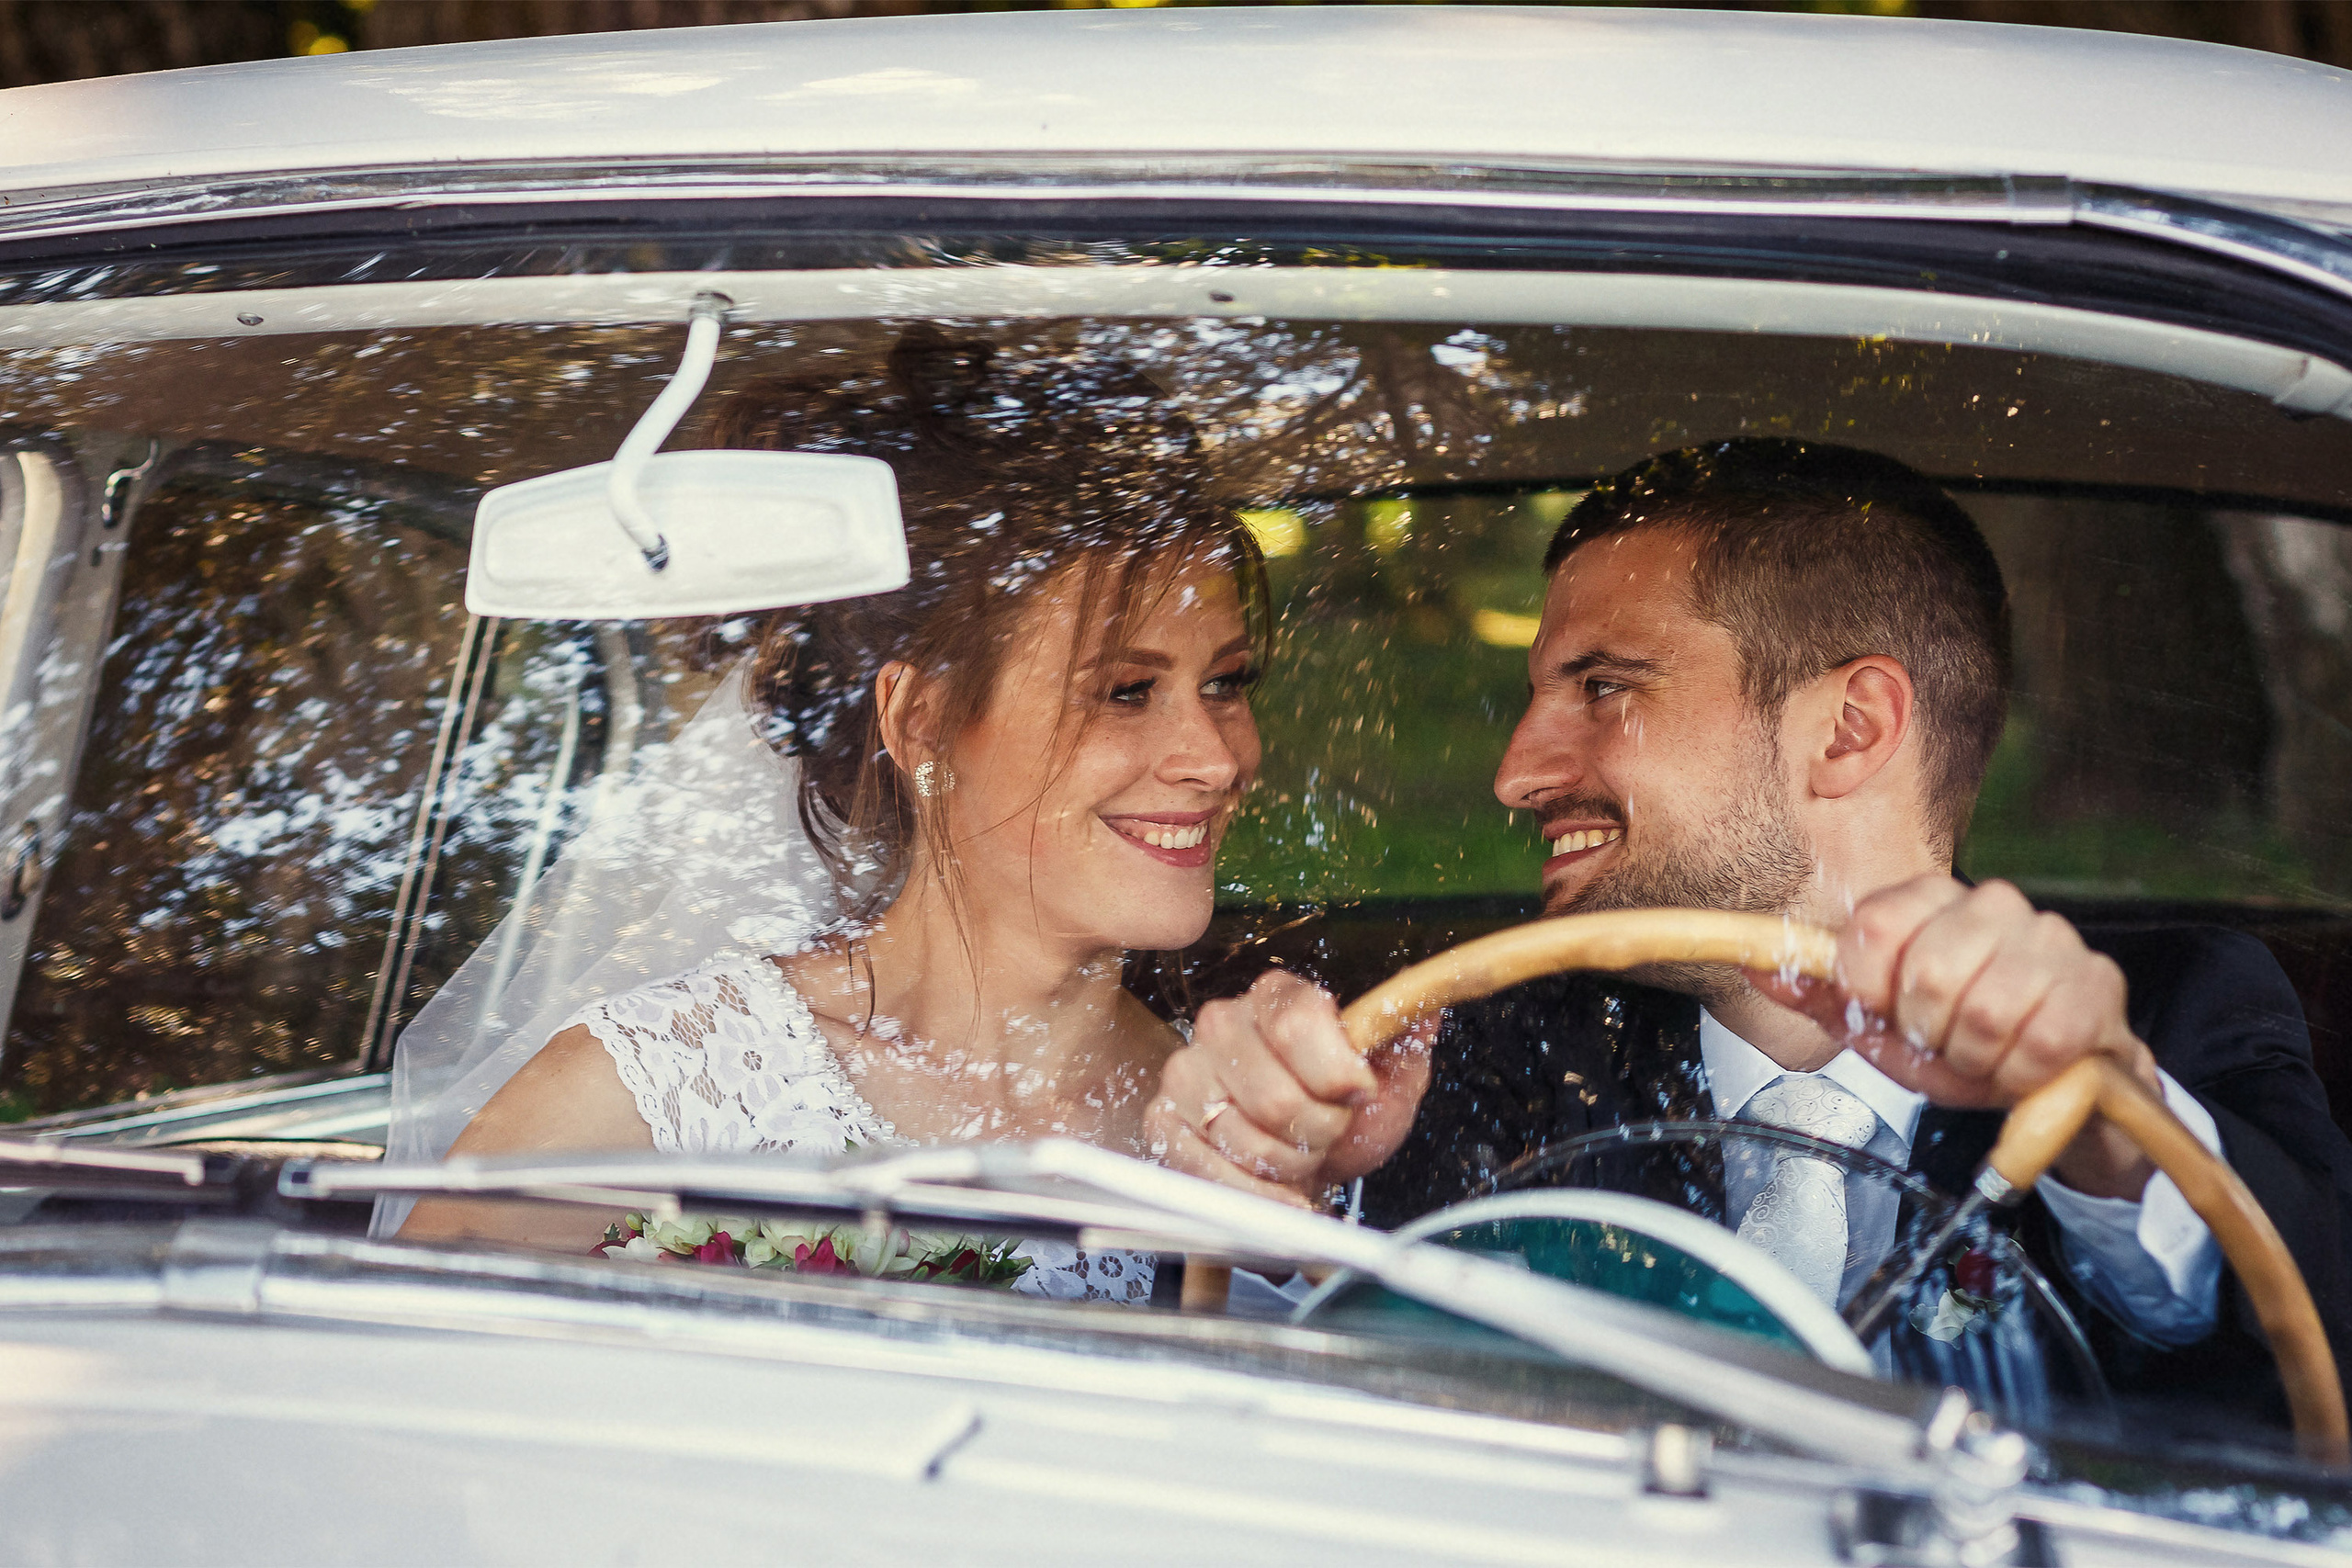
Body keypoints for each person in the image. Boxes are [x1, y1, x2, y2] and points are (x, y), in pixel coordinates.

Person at [1148, 439, 2352, 1425]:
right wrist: (1280, 1191)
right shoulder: (1473, 1054)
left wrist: (2104, 1114)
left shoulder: (2181, 1006)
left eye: (1605, 685)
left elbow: (2315, 1337)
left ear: (1848, 727)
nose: (1517, 772)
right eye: (1535, 698)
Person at [393, 333, 1267, 1305]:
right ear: (923, 721)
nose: (1218, 757)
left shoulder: (1246, 1121)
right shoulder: (664, 1091)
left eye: (1227, 683)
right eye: (1125, 692)